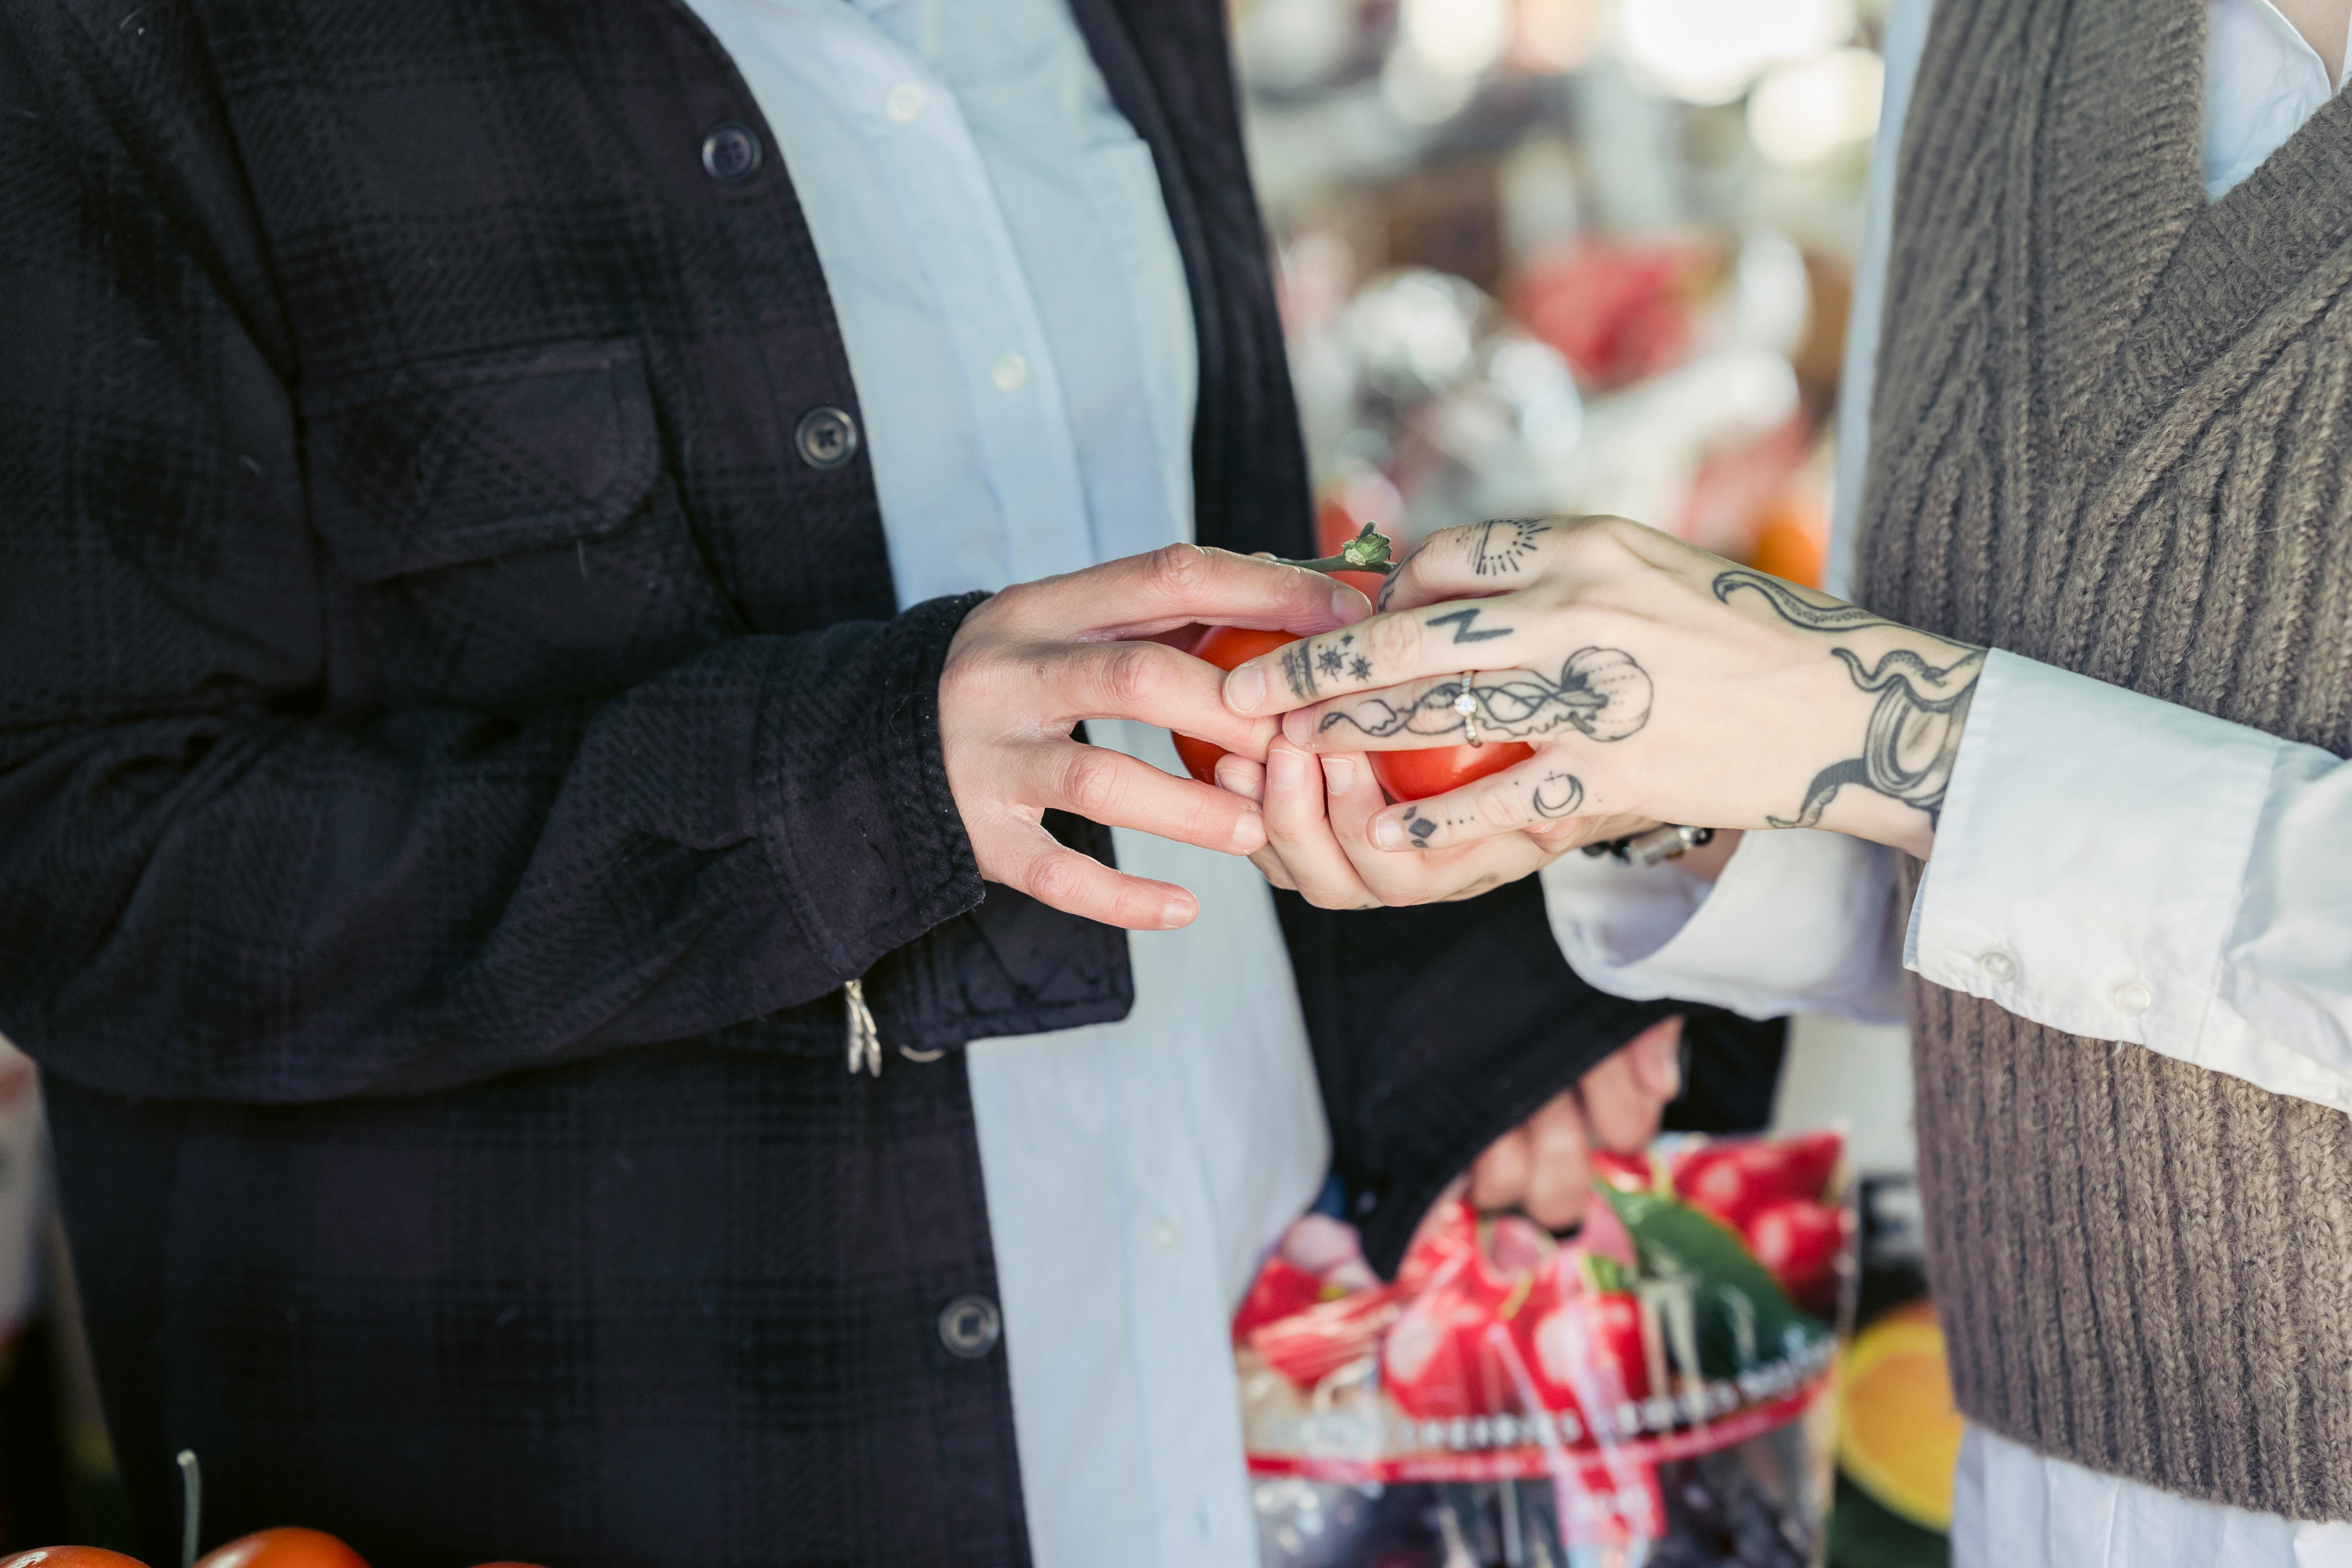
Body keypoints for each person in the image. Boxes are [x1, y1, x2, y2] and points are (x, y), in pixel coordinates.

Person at [0, 0, 1746, 1563]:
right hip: (655, 1465)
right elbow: (74, 865)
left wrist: (1459, 1004)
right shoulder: (161, 49)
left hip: (1233, 1408)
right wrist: (854, 784)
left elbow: (1205, 632)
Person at [1214, 0, 2352, 1559]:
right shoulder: (1980, 32)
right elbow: (1961, 871)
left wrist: (1862, 715)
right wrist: (1633, 784)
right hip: (2022, 1475)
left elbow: (1918, 735)